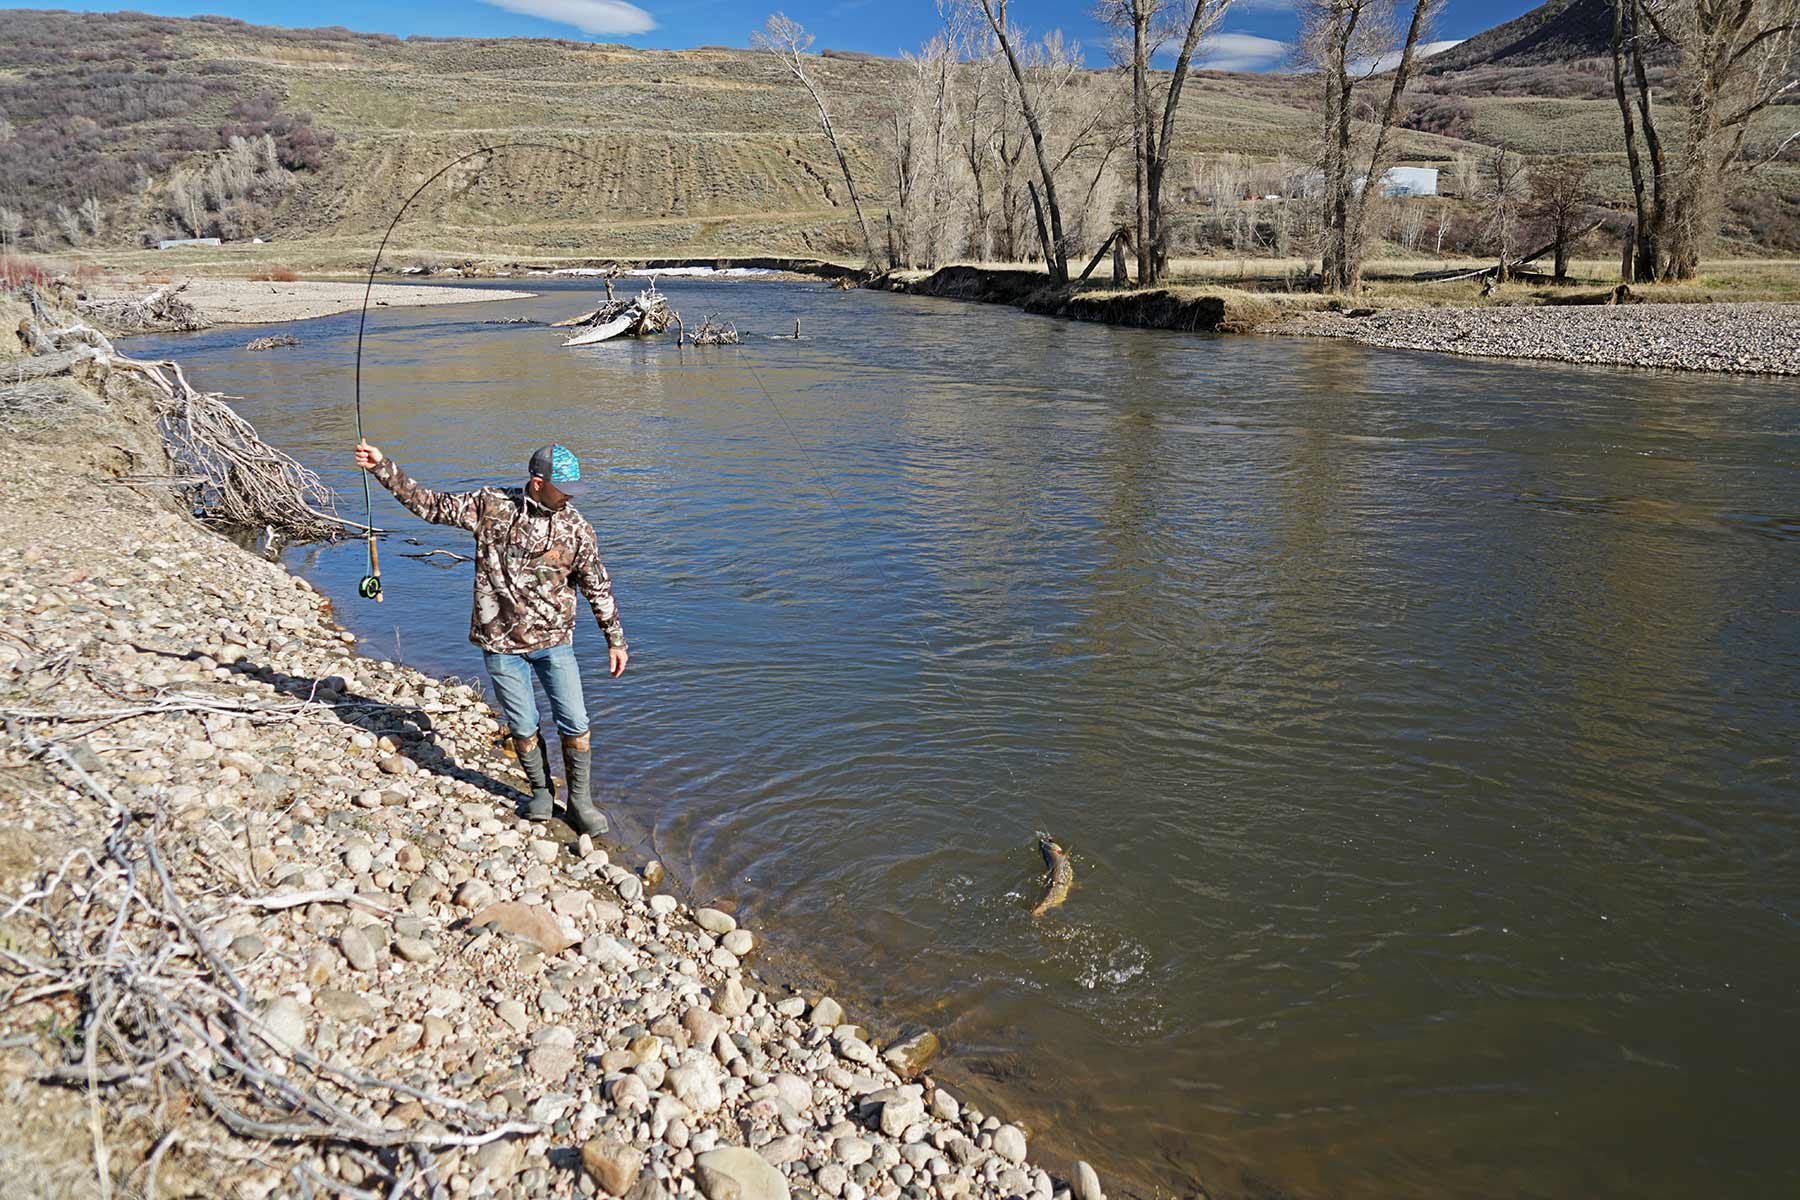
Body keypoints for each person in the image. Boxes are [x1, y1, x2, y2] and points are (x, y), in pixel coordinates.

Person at [354, 440, 628, 834]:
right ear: (537, 483)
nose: (570, 496)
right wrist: (382, 467)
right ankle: (541, 793)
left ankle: (581, 803)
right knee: (522, 723)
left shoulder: (577, 527)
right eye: (563, 488)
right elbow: (430, 505)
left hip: (554, 643)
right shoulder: (491, 505)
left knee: (574, 719)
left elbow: (596, 584)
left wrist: (614, 639)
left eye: (574, 489)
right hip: (500, 642)